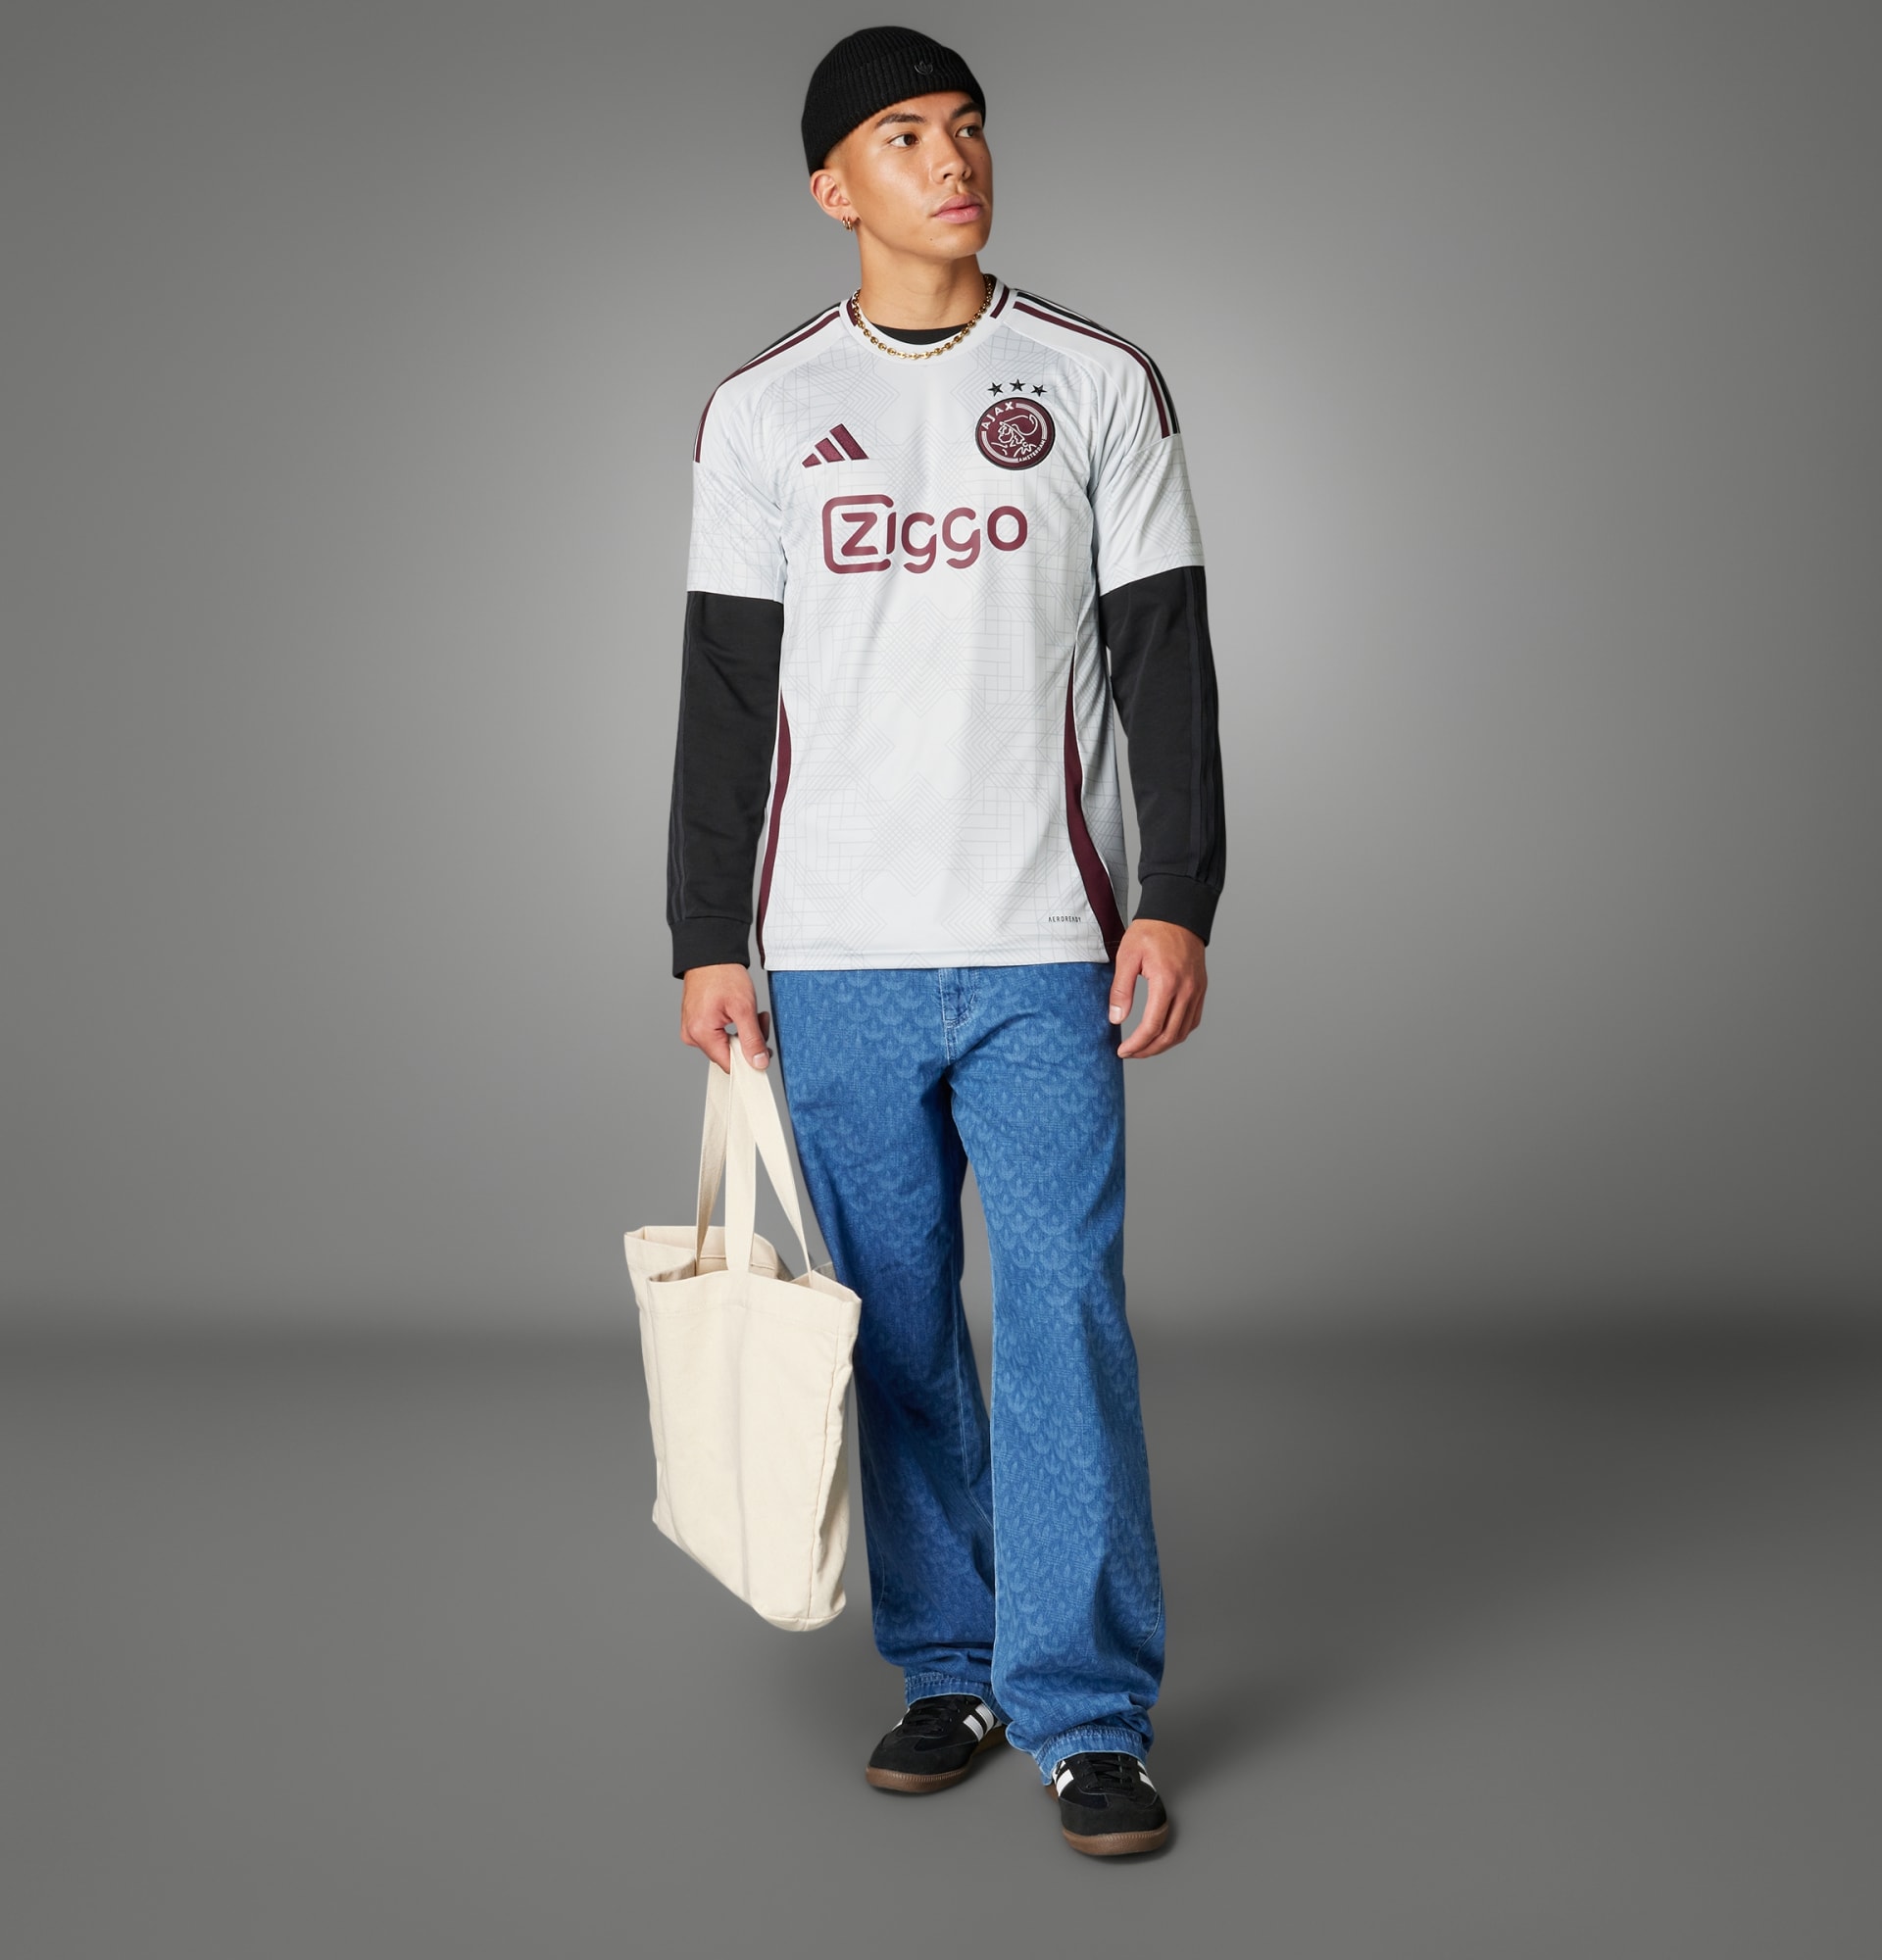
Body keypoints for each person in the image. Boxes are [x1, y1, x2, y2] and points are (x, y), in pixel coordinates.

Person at [665, 24, 1224, 1858]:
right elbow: (725, 694)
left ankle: (1088, 1714)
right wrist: (707, 932)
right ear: (834, 185)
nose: (953, 158)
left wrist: (1175, 893)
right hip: (830, 950)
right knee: (893, 1329)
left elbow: (1163, 661)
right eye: (904, 136)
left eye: (968, 126)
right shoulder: (762, 412)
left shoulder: (1097, 383)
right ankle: (949, 1665)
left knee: (1064, 1315)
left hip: (1047, 938)